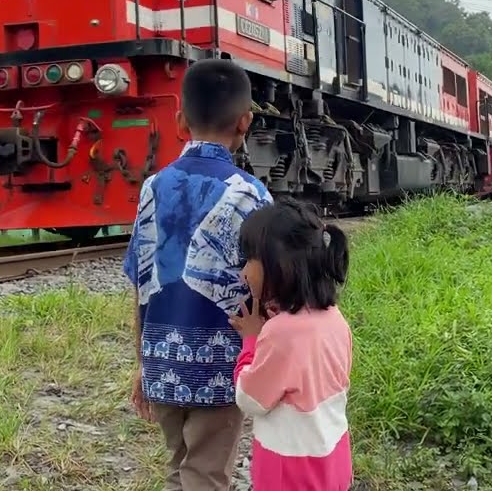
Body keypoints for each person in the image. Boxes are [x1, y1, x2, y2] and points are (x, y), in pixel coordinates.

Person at [122, 59, 272, 491]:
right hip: (221, 367)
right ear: (245, 122)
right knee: (206, 474)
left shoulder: (152, 187)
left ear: (179, 121)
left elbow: (142, 283)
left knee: (179, 468)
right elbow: (263, 286)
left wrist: (143, 363)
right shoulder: (252, 193)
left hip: (162, 360)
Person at [230, 199, 354, 491]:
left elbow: (249, 399)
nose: (243, 273)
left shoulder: (278, 332)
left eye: (250, 260)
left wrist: (251, 340)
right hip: (332, 457)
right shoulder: (335, 319)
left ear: (280, 265)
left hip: (290, 468)